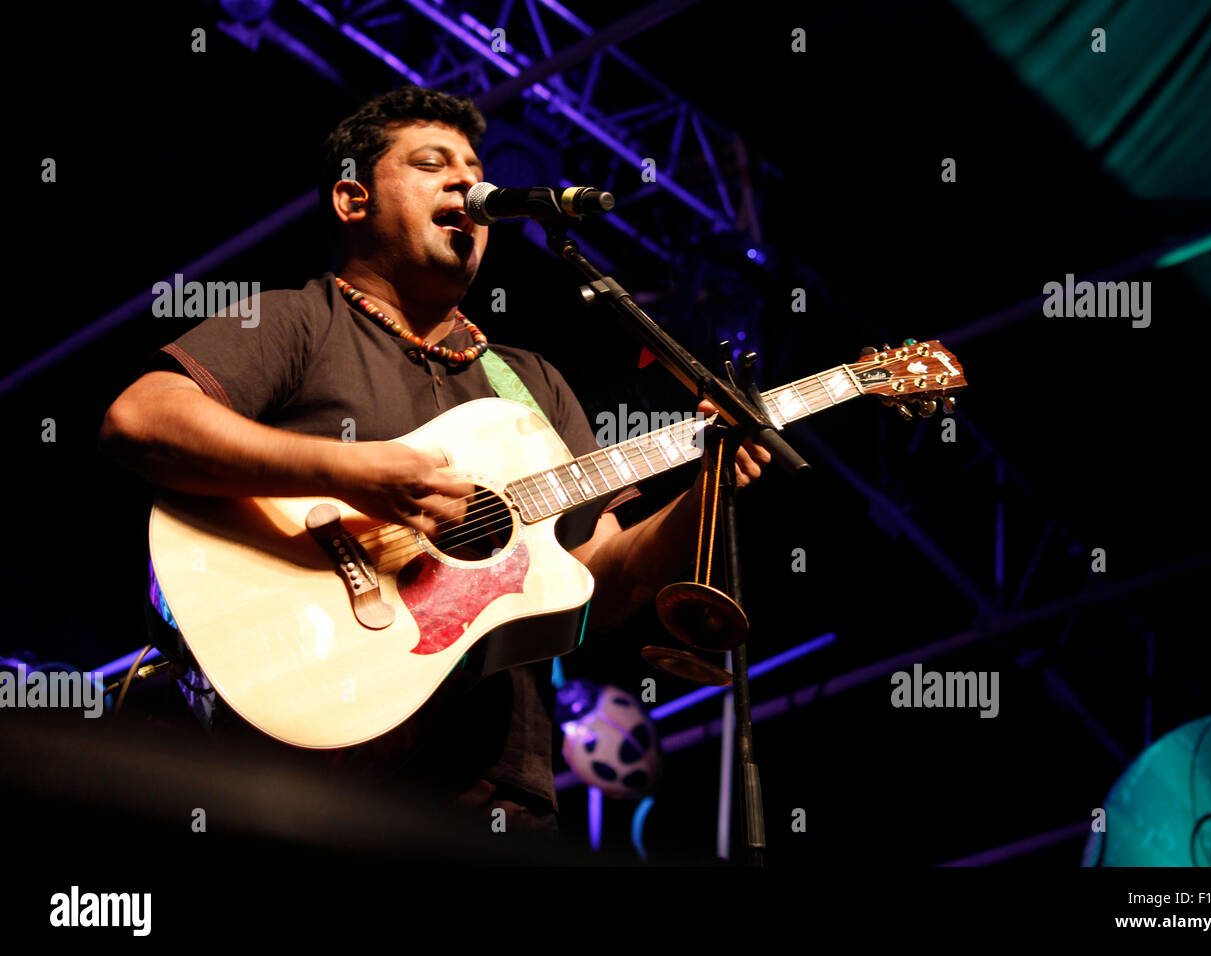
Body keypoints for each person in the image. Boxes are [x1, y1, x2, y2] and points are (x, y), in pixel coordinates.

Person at [99, 86, 769, 835]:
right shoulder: (297, 319)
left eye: (474, 166)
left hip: (494, 795)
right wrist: (356, 473)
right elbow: (141, 420)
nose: (465, 180)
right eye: (431, 163)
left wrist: (704, 492)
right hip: (305, 775)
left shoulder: (532, 379)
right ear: (353, 200)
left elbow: (600, 589)